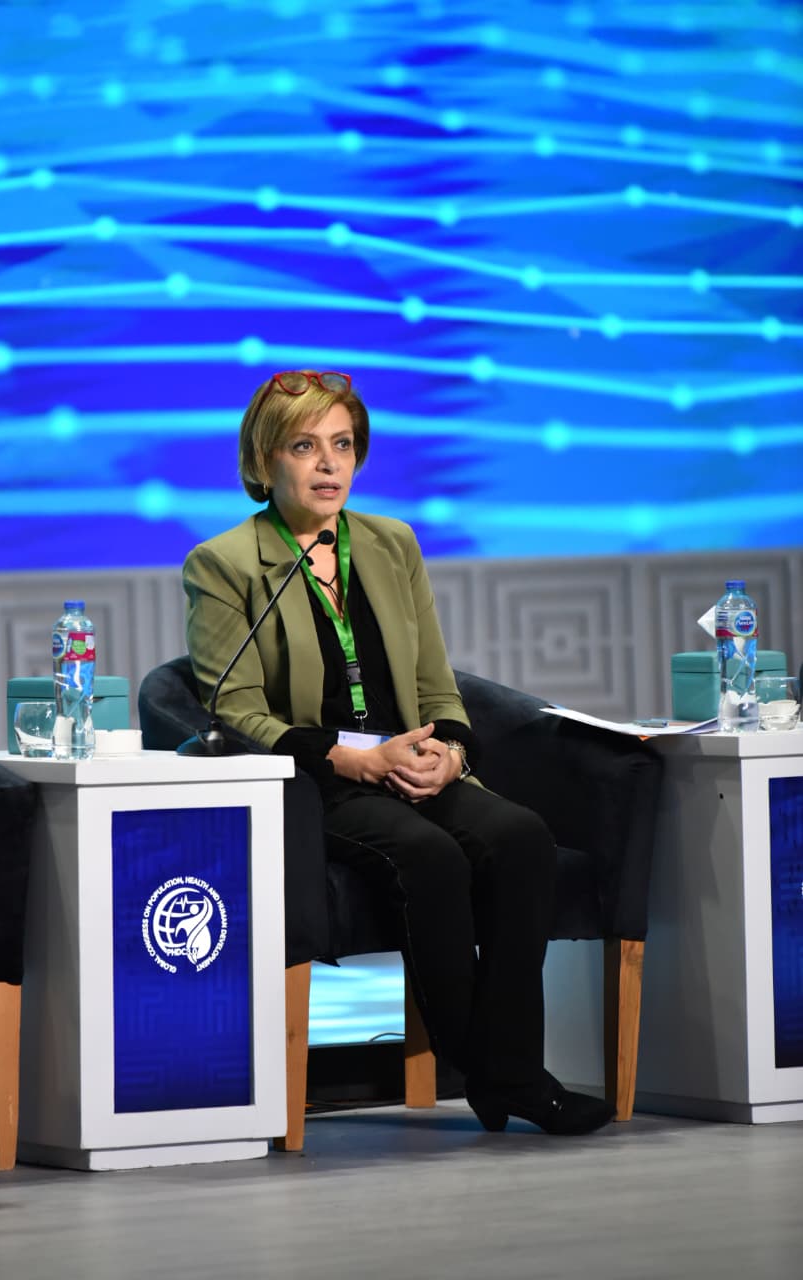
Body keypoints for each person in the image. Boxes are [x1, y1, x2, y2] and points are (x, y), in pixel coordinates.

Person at [183, 370, 614, 1136]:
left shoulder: (391, 543)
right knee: (430, 856)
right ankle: (501, 1075)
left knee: (520, 837)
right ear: (263, 461)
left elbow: (435, 682)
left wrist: (449, 752)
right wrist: (355, 761)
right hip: (320, 784)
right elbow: (235, 708)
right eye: (304, 446)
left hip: (410, 763)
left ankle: (507, 1070)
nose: (329, 464)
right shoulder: (224, 564)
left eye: (343, 445)